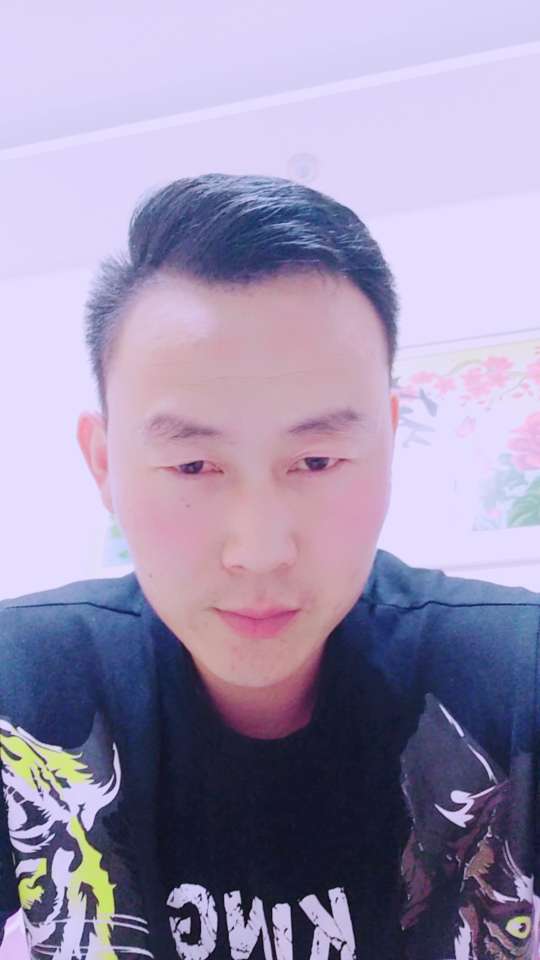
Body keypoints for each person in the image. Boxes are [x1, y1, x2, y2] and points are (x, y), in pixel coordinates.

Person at [0, 173, 539, 960]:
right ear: (104, 464)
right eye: (192, 466)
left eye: (316, 461)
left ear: (388, 445)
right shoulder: (18, 697)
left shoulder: (518, 684)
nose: (258, 550)